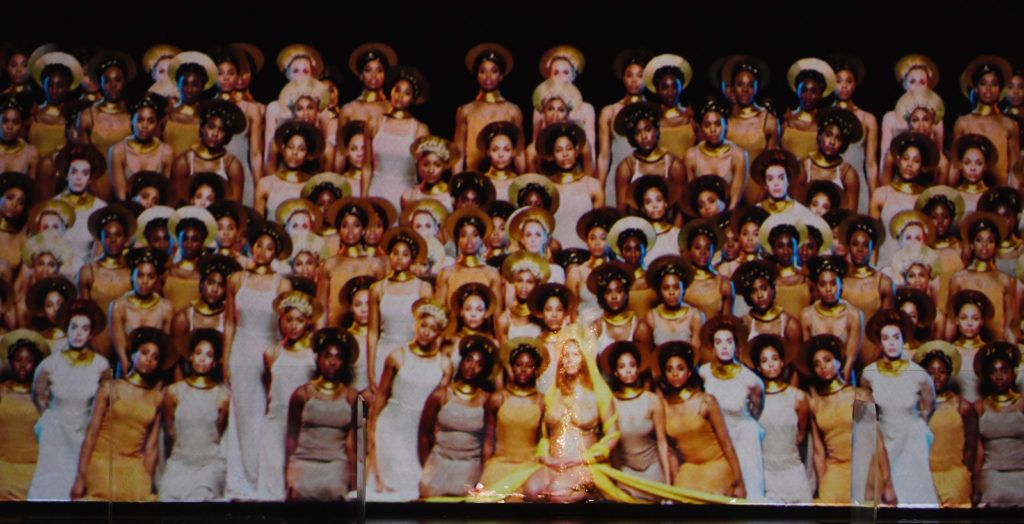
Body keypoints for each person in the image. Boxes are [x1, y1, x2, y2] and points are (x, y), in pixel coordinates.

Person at [223, 221, 292, 500]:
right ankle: (241, 482)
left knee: (266, 415)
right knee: (241, 412)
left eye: (270, 248)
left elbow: (287, 324)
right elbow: (228, 322)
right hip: (241, 350)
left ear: (276, 252)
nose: (263, 252)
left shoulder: (281, 283)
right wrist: (225, 359)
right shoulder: (237, 279)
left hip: (268, 349)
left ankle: (266, 482)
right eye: (259, 246)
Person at [368, 298, 451, 501]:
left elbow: (442, 406)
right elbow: (382, 396)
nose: (426, 332)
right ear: (416, 324)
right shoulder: (397, 356)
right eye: (423, 325)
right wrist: (371, 428)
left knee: (416, 490)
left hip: (421, 432)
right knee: (391, 489)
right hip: (392, 428)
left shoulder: (444, 364)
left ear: (439, 333)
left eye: (433, 329)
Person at [71, 327, 168, 501]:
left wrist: (146, 479)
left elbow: (151, 447)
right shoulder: (109, 387)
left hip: (133, 465)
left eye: (155, 357)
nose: (149, 360)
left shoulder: (157, 398)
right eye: (145, 353)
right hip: (103, 461)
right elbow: (91, 433)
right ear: (132, 354)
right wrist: (80, 477)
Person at [799, 334, 896, 505]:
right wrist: (824, 483)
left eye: (827, 360)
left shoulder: (859, 395)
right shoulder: (815, 404)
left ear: (838, 360)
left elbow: (877, 442)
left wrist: (888, 483)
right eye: (817, 364)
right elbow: (818, 451)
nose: (823, 367)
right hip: (835, 472)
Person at [861, 309, 939, 506]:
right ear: (879, 343)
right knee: (887, 499)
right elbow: (866, 413)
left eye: (896, 337)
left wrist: (915, 428)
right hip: (885, 441)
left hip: (912, 442)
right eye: (886, 338)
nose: (892, 343)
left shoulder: (918, 374)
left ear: (904, 339)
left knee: (915, 497)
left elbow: (929, 407)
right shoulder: (869, 374)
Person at [657, 340, 745, 497]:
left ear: (689, 372)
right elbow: (668, 449)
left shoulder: (706, 401)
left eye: (680, 368)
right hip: (690, 469)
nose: (675, 374)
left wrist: (740, 482)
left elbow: (727, 444)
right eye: (669, 370)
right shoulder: (662, 406)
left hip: (717, 464)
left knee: (705, 501)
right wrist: (673, 478)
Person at [256, 290, 319, 501]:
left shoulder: (313, 355)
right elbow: (269, 384)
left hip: (302, 419)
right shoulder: (272, 353)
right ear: (281, 320)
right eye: (289, 319)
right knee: (273, 465)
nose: (293, 325)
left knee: (298, 467)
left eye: (299, 320)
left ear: (308, 322)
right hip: (277, 417)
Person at [284, 327, 359, 501]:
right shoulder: (302, 394)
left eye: (338, 357)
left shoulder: (352, 397)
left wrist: (354, 484)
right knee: (298, 491)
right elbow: (291, 437)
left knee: (333, 490)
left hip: (335, 464)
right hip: (304, 461)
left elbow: (353, 441)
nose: (332, 362)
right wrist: (288, 471)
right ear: (318, 358)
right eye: (327, 356)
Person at [418, 335, 494, 497]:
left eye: (479, 364)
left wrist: (484, 475)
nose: (472, 367)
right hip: (439, 462)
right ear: (461, 361)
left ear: (484, 370)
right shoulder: (441, 395)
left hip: (468, 467)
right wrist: (428, 466)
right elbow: (424, 434)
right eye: (469, 360)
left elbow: (488, 442)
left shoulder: (486, 399)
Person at [698, 315, 766, 501]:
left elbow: (757, 411)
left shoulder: (751, 380)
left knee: (748, 492)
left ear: (736, 345)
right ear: (712, 347)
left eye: (729, 341)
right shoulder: (703, 373)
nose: (725, 346)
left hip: (744, 440)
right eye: (719, 342)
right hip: (715, 440)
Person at [159, 329, 231, 501]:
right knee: (165, 499)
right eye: (198, 353)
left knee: (199, 498)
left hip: (208, 465)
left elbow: (219, 431)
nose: (202, 358)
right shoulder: (173, 392)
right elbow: (170, 429)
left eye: (209, 355)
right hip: (179, 463)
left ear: (215, 362)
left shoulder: (222, 396)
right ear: (190, 356)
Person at [598, 341, 670, 499]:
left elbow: (662, 443)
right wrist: (617, 480)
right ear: (616, 372)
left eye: (632, 365)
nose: (628, 370)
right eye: (622, 367)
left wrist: (669, 484)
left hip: (653, 470)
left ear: (638, 368)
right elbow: (613, 447)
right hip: (627, 474)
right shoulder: (610, 402)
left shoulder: (652, 400)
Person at [744, 334, 811, 503]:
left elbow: (801, 436)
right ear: (758, 367)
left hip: (794, 474)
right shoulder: (753, 400)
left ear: (782, 362)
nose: (771, 364)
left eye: (775, 358)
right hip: (766, 476)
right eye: (765, 360)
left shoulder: (798, 397)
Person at [913, 341, 976, 508]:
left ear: (950, 374)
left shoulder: (963, 407)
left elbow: (971, 448)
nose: (937, 376)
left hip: (954, 479)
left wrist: (965, 476)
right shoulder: (914, 407)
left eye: (942, 371)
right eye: (931, 372)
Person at [368, 226, 432, 386]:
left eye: (405, 254)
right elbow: (372, 333)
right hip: (383, 352)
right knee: (370, 401)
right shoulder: (377, 288)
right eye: (395, 253)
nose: (399, 258)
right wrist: (370, 370)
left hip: (412, 354)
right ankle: (362, 412)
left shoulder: (423, 288)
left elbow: (431, 330)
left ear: (413, 258)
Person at [480, 338, 546, 491]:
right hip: (499, 465)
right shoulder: (497, 399)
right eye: (518, 365)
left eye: (529, 366)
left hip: (529, 468)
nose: (523, 370)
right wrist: (485, 469)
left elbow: (543, 441)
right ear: (511, 367)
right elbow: (488, 441)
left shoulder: (541, 402)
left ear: (536, 370)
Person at [870, 132, 938, 268]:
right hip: (885, 266)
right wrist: (873, 269)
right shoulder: (881, 194)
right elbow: (873, 238)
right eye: (906, 159)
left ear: (922, 166)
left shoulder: (926, 199)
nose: (909, 164)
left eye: (916, 161)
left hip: (914, 272)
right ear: (898, 160)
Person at [454, 44, 524, 172]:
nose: (488, 76)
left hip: (505, 178)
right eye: (482, 71)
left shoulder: (512, 111)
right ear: (477, 75)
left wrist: (522, 180)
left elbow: (519, 153)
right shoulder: (465, 110)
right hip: (473, 180)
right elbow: (458, 153)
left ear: (501, 76)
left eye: (494, 71)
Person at [949, 212, 1016, 342]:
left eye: (990, 240)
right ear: (972, 245)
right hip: (966, 344)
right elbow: (952, 322)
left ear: (995, 245)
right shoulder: (959, 279)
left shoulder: (1005, 280)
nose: (984, 245)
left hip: (997, 349)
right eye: (979, 240)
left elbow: (1009, 322)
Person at [952, 56, 1020, 185]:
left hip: (1000, 197)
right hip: (969, 194)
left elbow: (1014, 170)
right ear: (976, 88)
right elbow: (955, 167)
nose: (988, 88)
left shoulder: (1010, 125)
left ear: (1000, 89)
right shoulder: (963, 123)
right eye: (983, 83)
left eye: (994, 84)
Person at [597, 49, 652, 207]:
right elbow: (604, 155)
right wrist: (600, 188)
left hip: (646, 172)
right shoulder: (610, 111)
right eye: (629, 75)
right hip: (617, 174)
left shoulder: (654, 110)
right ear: (623, 78)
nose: (634, 80)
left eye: (640, 75)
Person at [973, 342, 1024, 507]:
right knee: (994, 495)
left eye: (1004, 370)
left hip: (1021, 471)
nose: (999, 376)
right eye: (993, 371)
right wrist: (975, 481)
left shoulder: (1022, 404)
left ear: (1013, 372)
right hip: (992, 473)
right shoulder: (979, 406)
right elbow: (978, 451)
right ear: (987, 376)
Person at [0, 330, 49, 501]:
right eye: (18, 360)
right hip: (3, 469)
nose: (23, 365)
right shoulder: (1, 392)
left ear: (36, 364)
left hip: (33, 469)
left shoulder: (44, 396)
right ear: (10, 362)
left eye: (29, 361)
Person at [108, 247, 174, 375]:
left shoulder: (166, 308)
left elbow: (166, 349)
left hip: (155, 369)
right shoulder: (118, 306)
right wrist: (127, 373)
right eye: (140, 275)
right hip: (127, 367)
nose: (144, 281)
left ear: (157, 279)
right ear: (131, 277)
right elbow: (121, 350)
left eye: (150, 276)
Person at [612, 101, 686, 211]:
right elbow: (622, 209)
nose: (644, 136)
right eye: (637, 132)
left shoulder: (674, 165)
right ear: (632, 138)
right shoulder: (626, 167)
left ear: (656, 130)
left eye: (648, 130)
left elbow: (681, 209)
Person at [827, 53, 878, 214]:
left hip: (858, 183)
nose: (843, 86)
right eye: (838, 80)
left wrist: (873, 198)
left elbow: (871, 164)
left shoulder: (867, 118)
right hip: (829, 179)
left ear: (855, 84)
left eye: (848, 81)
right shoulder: (823, 115)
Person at [800, 255, 863, 383]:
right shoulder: (807, 315)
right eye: (823, 284)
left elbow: (850, 360)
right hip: (817, 380)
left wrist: (840, 390)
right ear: (816, 287)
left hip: (845, 379)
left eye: (833, 283)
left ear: (841, 285)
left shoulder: (853, 314)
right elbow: (807, 358)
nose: (828, 289)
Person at [171, 99, 246, 202]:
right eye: (211, 127)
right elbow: (176, 202)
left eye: (221, 130)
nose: (215, 134)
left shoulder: (232, 165)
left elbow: (235, 206)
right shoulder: (183, 162)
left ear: (227, 135)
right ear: (202, 127)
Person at [109, 95, 175, 201]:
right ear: (131, 121)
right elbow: (121, 194)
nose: (145, 125)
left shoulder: (166, 152)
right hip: (127, 207)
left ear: (157, 124)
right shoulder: (118, 150)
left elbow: (164, 193)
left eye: (151, 121)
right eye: (140, 120)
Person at [880, 54, 943, 164]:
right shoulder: (890, 118)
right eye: (912, 82)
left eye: (922, 82)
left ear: (928, 87)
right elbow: (884, 157)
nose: (917, 86)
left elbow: (939, 158)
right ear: (905, 85)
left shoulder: (937, 121)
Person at [685, 97, 746, 209]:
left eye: (718, 124)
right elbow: (691, 196)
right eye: (707, 125)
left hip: (729, 214)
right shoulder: (691, 156)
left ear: (726, 125)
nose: (713, 130)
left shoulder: (738, 155)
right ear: (701, 128)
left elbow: (735, 198)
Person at [799, 107, 862, 211]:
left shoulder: (847, 174)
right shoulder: (803, 166)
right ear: (819, 135)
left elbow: (850, 216)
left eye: (838, 138)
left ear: (844, 144)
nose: (832, 142)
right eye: (828, 135)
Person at [635, 255, 702, 351]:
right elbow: (646, 354)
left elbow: (696, 353)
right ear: (659, 291)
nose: (671, 293)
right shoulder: (652, 317)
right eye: (666, 288)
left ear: (683, 289)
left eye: (676, 287)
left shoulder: (694, 316)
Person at [163, 51, 218, 158]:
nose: (189, 89)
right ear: (177, 84)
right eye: (185, 83)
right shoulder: (167, 113)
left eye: (195, 85)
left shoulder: (207, 116)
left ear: (202, 87)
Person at [731, 259, 802, 341]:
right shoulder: (744, 324)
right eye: (753, 291)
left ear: (772, 289)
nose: (760, 295)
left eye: (764, 288)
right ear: (748, 296)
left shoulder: (789, 324)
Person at [643, 54, 695, 160]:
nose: (670, 92)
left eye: (675, 87)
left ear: (682, 87)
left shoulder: (691, 116)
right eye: (664, 88)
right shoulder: (652, 119)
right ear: (657, 90)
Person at [781, 58, 835, 160]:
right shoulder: (786, 120)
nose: (808, 96)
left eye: (813, 91)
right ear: (797, 91)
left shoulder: (825, 124)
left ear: (820, 94)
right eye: (804, 90)